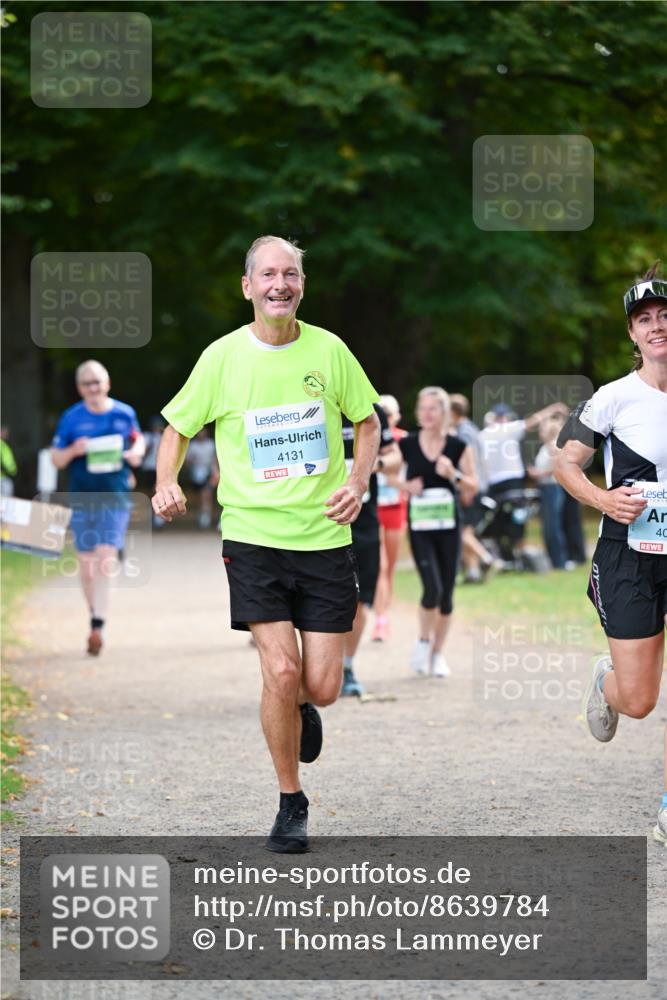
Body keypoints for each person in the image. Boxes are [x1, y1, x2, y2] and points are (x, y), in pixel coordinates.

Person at [153, 236, 379, 853]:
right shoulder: (222, 358)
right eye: (268, 274)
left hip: (325, 538)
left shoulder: (329, 350)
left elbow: (368, 418)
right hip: (252, 538)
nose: (280, 284)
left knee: (323, 685)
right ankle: (290, 801)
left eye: (292, 274)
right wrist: (165, 480)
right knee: (280, 669)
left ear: (301, 284)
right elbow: (176, 427)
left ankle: (301, 705)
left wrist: (358, 480)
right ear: (247, 286)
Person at [554, 262, 667, 846]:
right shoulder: (613, 399)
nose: (657, 327)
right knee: (641, 700)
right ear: (632, 334)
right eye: (644, 320)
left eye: (664, 315)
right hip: (630, 552)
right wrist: (602, 498)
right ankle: (607, 684)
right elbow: (564, 461)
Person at [50, 361, 145, 655]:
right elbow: (56, 459)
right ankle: (94, 613)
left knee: (106, 558)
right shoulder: (71, 418)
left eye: (98, 382)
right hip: (81, 497)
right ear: (79, 388)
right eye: (87, 383)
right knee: (88, 567)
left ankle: (98, 626)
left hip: (115, 496)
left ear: (108, 383)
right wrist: (72, 451)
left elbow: (138, 441)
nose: (93, 388)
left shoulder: (124, 413)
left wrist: (135, 454)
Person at [399, 387, 478, 677]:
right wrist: (405, 486)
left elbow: (473, 486)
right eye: (423, 408)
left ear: (444, 413)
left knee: (447, 593)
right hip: (420, 527)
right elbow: (386, 473)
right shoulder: (406, 443)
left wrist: (453, 475)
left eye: (433, 408)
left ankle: (437, 654)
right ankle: (422, 642)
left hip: (448, 526)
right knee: (431, 588)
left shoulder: (458, 446)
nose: (427, 413)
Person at [340, 403, 401, 695]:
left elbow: (395, 458)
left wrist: (362, 468)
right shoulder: (305, 402)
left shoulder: (371, 409)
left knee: (359, 599)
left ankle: (347, 668)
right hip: (315, 521)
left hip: (363, 520)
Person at [478, 400, 568, 562]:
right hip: (512, 481)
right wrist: (553, 408)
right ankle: (517, 554)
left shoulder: (482, 435)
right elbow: (533, 420)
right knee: (517, 520)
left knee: (498, 521)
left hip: (493, 483)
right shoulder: (509, 429)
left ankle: (504, 556)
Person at [449, 394, 502, 583]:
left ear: (454, 412)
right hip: (476, 486)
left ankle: (488, 559)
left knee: (462, 531)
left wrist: (466, 490)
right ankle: (473, 572)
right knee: (468, 531)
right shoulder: (471, 429)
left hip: (469, 488)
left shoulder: (464, 433)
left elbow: (467, 463)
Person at [372, 394, 408, 641]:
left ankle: (384, 612)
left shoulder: (405, 440)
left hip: (396, 506)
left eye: (390, 412)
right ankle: (380, 621)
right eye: (381, 411)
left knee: (390, 567)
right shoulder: (368, 436)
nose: (385, 416)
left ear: (397, 416)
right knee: (380, 566)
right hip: (374, 507)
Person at [528, 414, 569, 569]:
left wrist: (537, 473)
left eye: (542, 430)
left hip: (552, 488)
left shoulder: (553, 446)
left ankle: (560, 561)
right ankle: (553, 560)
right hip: (545, 488)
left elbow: (556, 467)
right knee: (547, 526)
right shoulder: (545, 447)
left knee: (553, 526)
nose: (540, 432)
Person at [185, 428, 217, 529]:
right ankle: (201, 513)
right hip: (196, 474)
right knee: (199, 496)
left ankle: (206, 516)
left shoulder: (211, 444)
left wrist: (215, 471)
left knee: (206, 494)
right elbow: (188, 461)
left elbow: (215, 458)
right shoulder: (193, 445)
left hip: (209, 472)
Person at [1, 426, 17, 497]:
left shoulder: (5, 446)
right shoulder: (3, 446)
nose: (6, 434)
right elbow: (11, 468)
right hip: (3, 480)